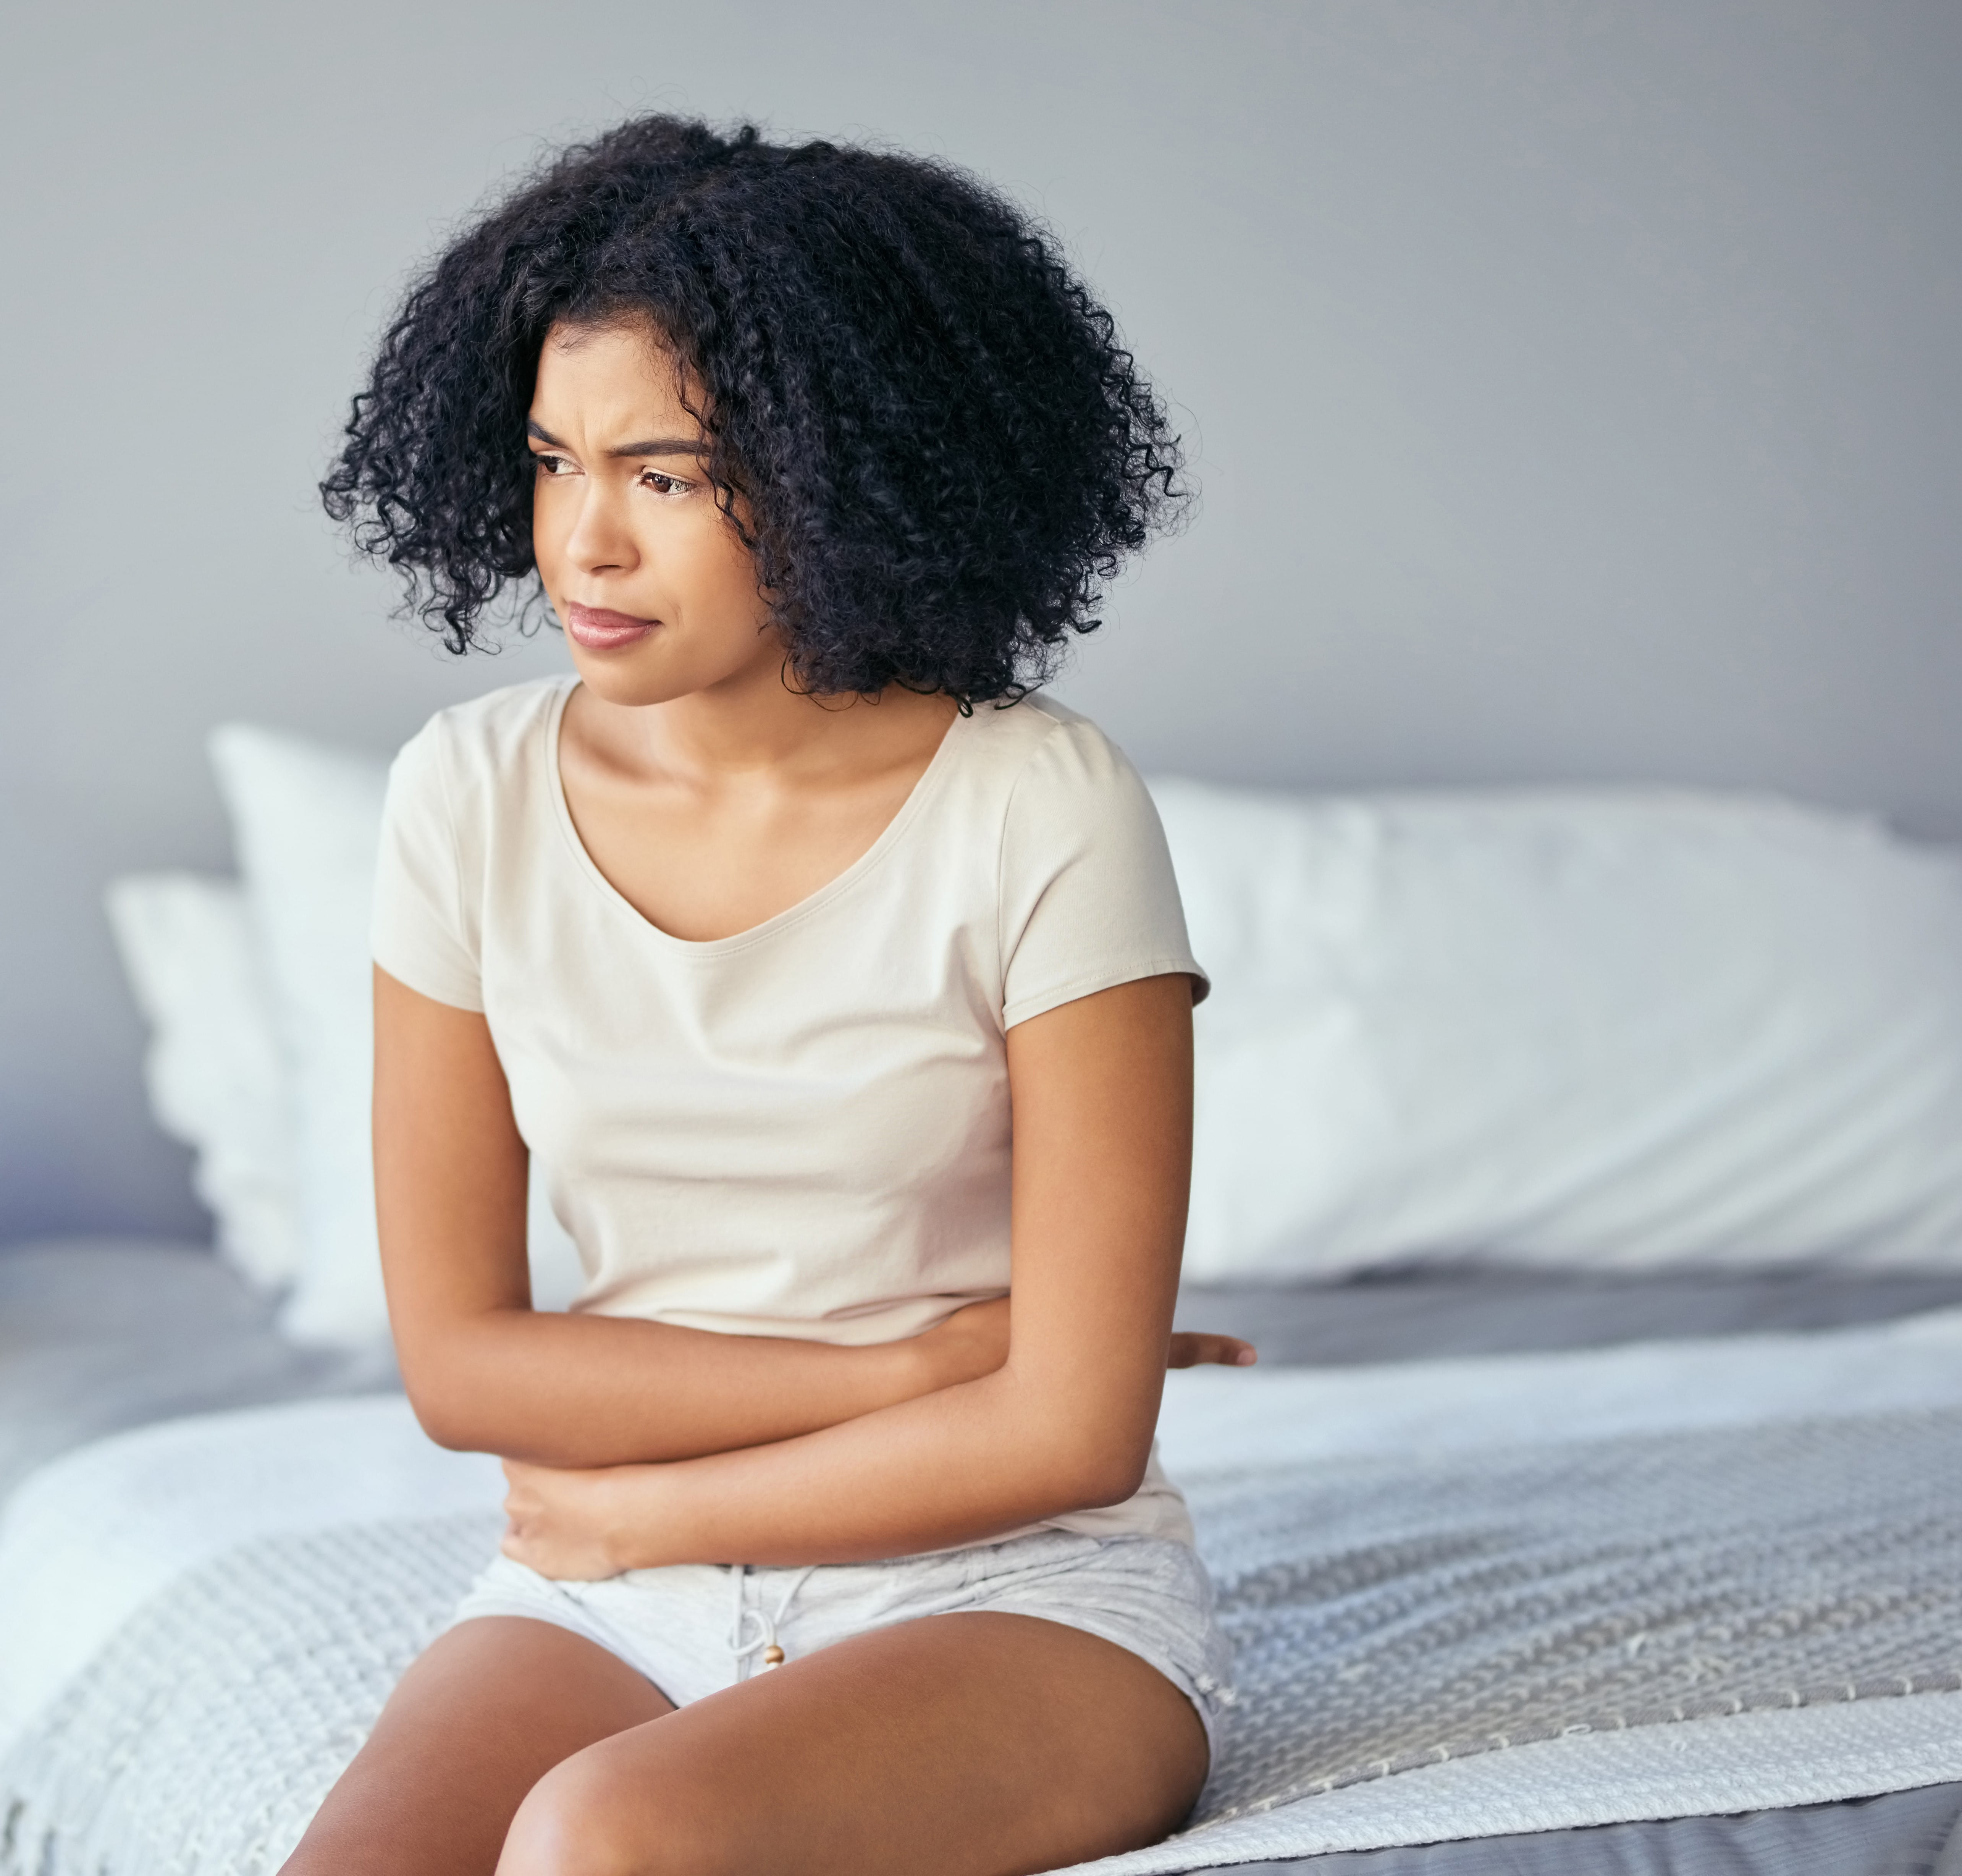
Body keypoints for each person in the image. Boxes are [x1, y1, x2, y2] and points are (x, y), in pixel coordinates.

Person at [289, 116, 1251, 1876]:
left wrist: (646, 1507)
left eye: (662, 476)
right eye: (551, 460)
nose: (582, 545)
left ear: (842, 479)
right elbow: (463, 1365)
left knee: (605, 1838)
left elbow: (1069, 1428)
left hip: (1018, 1586)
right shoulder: (463, 792)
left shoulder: (1041, 801)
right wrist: (920, 1364)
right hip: (605, 1602)